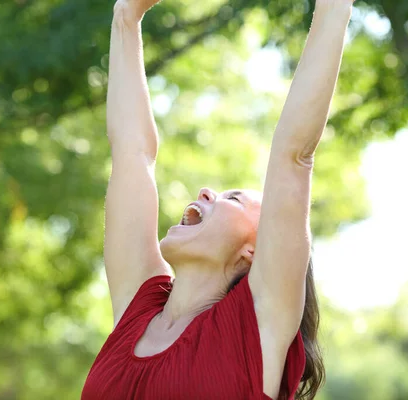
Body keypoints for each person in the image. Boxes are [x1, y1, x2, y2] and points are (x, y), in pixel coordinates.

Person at [82, 0, 354, 399]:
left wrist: (334, 7)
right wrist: (126, 16)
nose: (206, 192)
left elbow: (293, 155)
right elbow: (132, 154)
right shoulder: (136, 308)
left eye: (234, 199)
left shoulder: (255, 323)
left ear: (253, 252)